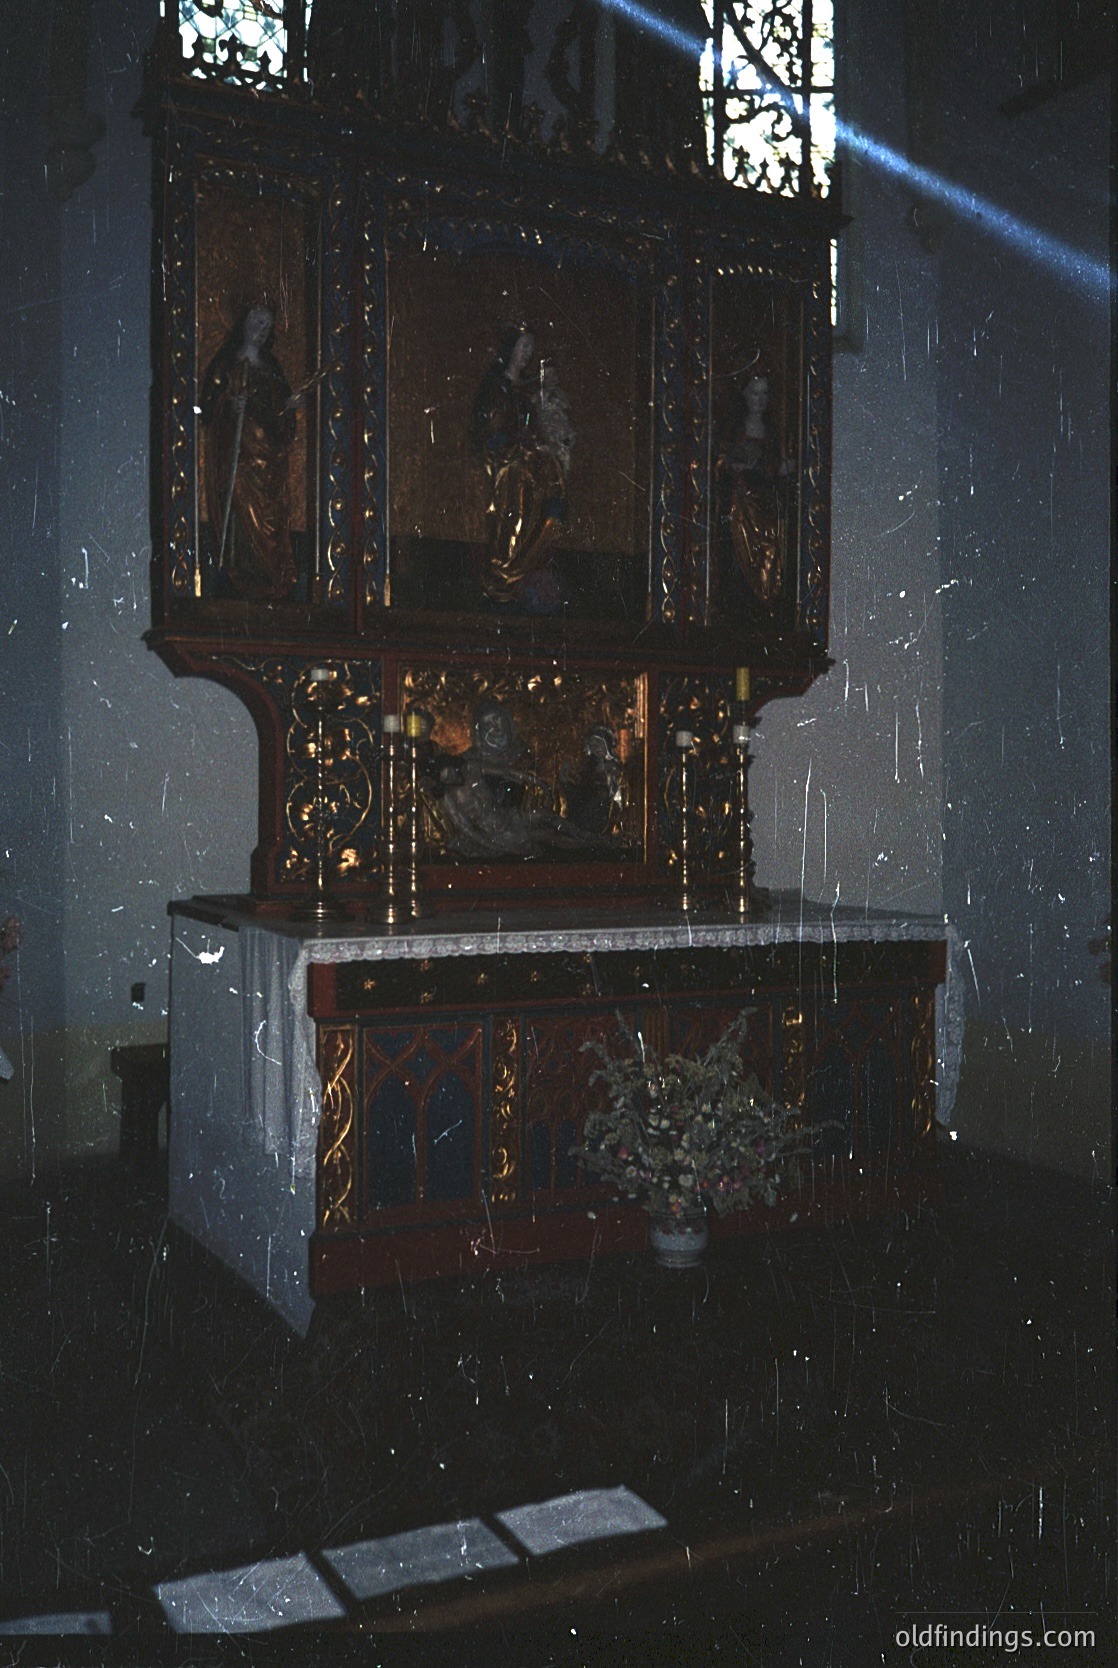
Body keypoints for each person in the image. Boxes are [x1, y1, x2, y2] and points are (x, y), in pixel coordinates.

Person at [201, 303, 298, 600]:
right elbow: (207, 408)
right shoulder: (226, 365)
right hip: (237, 458)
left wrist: (289, 409)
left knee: (268, 515)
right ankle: (239, 576)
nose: (261, 328)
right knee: (240, 514)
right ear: (243, 322)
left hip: (266, 461)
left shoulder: (272, 369)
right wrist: (230, 407)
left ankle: (269, 579)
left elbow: (282, 420)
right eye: (257, 320)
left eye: (267, 324)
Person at [470, 327, 571, 607]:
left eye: (530, 349)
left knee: (551, 473)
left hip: (523, 457)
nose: (526, 354)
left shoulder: (525, 393)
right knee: (517, 485)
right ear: (510, 350)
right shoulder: (495, 387)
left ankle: (524, 562)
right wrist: (515, 443)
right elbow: (489, 431)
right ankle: (504, 569)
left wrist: (537, 444)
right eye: (522, 347)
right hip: (503, 461)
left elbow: (534, 429)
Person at [717, 372, 791, 609]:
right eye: (755, 393)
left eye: (765, 394)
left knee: (769, 552)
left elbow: (778, 463)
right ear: (745, 395)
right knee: (740, 554)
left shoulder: (772, 431)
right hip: (741, 503)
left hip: (766, 502)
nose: (760, 399)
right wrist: (734, 464)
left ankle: (765, 603)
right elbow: (721, 459)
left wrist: (778, 467)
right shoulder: (735, 429)